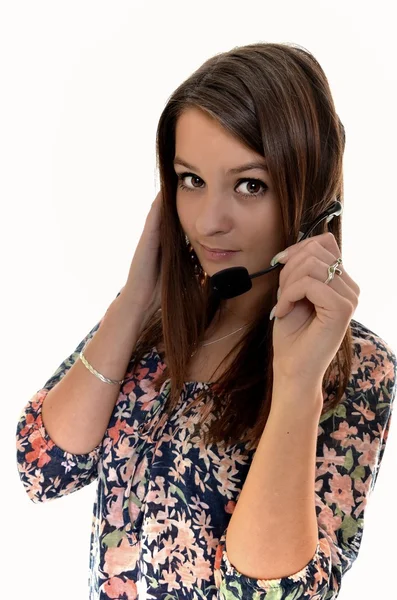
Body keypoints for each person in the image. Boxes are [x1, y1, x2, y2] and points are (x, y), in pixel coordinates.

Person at [16, 42, 396, 599]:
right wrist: (135, 296)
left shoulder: (357, 366)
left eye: (250, 185)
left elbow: (268, 593)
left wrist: (296, 383)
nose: (209, 222)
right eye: (190, 180)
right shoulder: (151, 325)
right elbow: (42, 469)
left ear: (314, 198)